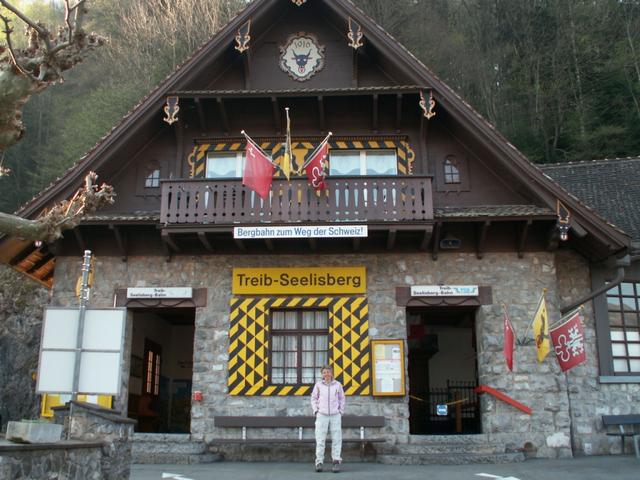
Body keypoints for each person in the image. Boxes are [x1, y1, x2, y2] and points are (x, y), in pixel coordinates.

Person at [310, 364, 345, 473]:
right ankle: (319, 462)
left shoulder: (338, 385)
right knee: (320, 439)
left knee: (336, 439)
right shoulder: (318, 385)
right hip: (322, 415)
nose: (326, 374)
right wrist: (316, 411)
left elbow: (342, 399)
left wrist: (340, 411)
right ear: (322, 374)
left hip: (335, 415)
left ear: (331, 373)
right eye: (324, 372)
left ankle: (336, 462)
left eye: (328, 372)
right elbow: (313, 398)